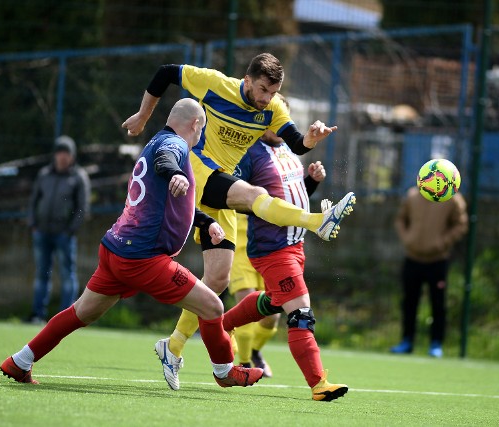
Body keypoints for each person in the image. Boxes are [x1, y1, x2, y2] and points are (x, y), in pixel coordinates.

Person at [122, 52, 356, 390]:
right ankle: (316, 221)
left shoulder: (273, 108)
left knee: (216, 279)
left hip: (220, 189)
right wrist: (144, 115)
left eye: (272, 92)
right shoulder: (217, 85)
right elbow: (166, 72)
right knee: (251, 195)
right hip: (197, 170)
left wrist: (310, 139)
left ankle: (171, 347)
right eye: (262, 89)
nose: (265, 98)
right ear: (247, 80)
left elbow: (295, 143)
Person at [0, 98, 264, 389]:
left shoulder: (154, 142)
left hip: (116, 250)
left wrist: (205, 222)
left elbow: (168, 200)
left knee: (80, 313)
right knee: (213, 307)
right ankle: (224, 371)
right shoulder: (174, 145)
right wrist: (176, 172)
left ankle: (20, 361)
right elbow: (168, 161)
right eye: (202, 130)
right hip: (143, 258)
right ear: (195, 124)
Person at [222, 120, 350, 401]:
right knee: (301, 314)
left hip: (295, 244)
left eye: (282, 116)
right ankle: (318, 385)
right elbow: (233, 196)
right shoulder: (250, 153)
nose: (278, 124)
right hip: (272, 248)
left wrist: (312, 183)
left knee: (273, 301)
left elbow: (291, 197)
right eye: (271, 116)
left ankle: (220, 324)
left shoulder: (290, 150)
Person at [390, 186, 468, 358]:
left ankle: (436, 344)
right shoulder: (412, 195)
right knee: (409, 302)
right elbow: (400, 220)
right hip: (412, 258)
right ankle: (407, 341)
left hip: (438, 261)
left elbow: (461, 224)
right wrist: (407, 239)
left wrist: (442, 243)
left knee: (438, 304)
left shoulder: (453, 199)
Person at [27, 135, 91, 324]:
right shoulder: (44, 175)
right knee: (41, 274)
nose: (62, 157)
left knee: (67, 274)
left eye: (66, 153)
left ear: (72, 157)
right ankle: (37, 314)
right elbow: (33, 201)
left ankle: (66, 319)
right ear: (54, 155)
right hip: (42, 233)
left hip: (64, 235)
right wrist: (33, 225)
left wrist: (70, 231)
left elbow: (82, 208)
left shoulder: (78, 177)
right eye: (59, 153)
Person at [228, 212, 279, 377]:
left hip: (268, 252)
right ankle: (244, 363)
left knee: (273, 317)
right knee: (246, 311)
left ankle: (254, 351)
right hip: (240, 250)